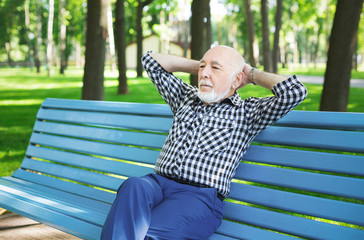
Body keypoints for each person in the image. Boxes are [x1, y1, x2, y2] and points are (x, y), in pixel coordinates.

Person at [101, 45, 307, 240]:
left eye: (215, 68)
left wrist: (250, 74)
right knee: (133, 185)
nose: (204, 73)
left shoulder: (247, 113)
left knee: (146, 234)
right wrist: (202, 66)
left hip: (198, 198)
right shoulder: (184, 97)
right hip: (156, 185)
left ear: (237, 80)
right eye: (202, 67)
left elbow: (295, 91)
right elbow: (151, 61)